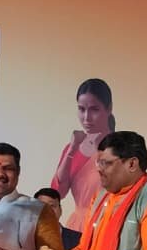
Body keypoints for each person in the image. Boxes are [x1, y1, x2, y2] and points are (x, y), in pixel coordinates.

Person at [50, 78, 116, 231]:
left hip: (109, 225)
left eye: (94, 109)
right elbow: (58, 193)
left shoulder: (120, 148)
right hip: (78, 227)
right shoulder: (74, 148)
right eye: (81, 109)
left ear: (109, 109)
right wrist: (71, 150)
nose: (86, 118)